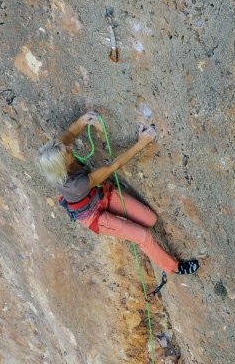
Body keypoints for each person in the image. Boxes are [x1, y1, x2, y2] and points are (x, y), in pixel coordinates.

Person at [37, 111, 199, 276]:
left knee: (150, 219)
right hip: (94, 216)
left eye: (66, 147)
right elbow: (112, 167)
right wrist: (142, 142)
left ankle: (147, 245)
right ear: (63, 165)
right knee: (143, 236)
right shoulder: (76, 185)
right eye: (68, 152)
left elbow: (70, 133)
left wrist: (83, 120)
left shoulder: (56, 151)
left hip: (101, 194)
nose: (71, 148)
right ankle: (173, 267)